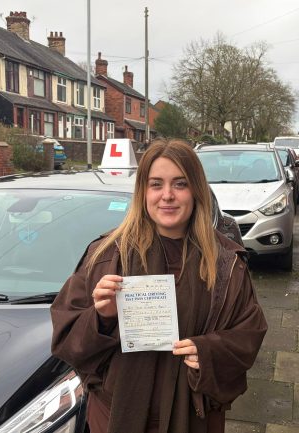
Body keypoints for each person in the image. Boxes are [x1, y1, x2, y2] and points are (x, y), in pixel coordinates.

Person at [50, 138, 267, 433]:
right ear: (143, 192)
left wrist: (209, 351)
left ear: (196, 191)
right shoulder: (106, 256)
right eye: (156, 184)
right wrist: (101, 318)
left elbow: (249, 334)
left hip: (193, 417)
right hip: (116, 415)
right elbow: (66, 339)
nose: (167, 195)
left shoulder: (226, 263)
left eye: (180, 184)